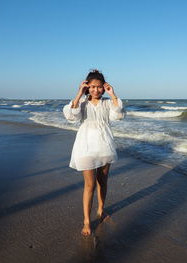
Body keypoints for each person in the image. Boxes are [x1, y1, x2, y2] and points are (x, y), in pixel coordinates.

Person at [63, 69, 125, 236]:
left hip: (105, 146)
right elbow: (71, 116)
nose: (95, 90)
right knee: (89, 185)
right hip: (86, 147)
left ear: (104, 88)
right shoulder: (82, 103)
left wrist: (113, 94)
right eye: (92, 87)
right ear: (87, 87)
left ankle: (101, 210)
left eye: (99, 87)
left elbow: (118, 115)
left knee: (103, 181)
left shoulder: (106, 103)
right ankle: (86, 221)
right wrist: (79, 93)